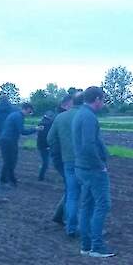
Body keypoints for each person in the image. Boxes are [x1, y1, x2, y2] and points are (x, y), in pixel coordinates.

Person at [72, 86, 114, 257]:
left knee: (87, 205)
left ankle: (86, 246)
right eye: (102, 99)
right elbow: (89, 144)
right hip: (92, 169)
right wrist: (100, 165)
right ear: (97, 99)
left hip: (81, 167)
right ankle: (97, 246)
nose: (103, 103)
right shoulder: (89, 117)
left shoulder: (80, 114)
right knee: (103, 205)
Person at [47, 92, 80, 236]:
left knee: (70, 190)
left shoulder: (59, 118)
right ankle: (75, 225)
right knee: (78, 193)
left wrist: (59, 153)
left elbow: (50, 139)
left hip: (63, 160)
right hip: (77, 160)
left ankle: (59, 216)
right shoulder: (82, 116)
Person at [0, 102, 36, 187]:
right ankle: (4, 180)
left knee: (11, 161)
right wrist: (35, 129)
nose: (29, 114)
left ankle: (10, 179)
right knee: (9, 161)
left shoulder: (15, 115)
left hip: (7, 140)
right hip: (8, 141)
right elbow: (22, 131)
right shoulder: (19, 117)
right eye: (29, 112)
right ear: (25, 109)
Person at [36, 104, 57, 181]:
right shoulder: (47, 124)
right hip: (45, 146)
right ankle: (40, 177)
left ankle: (41, 176)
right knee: (46, 162)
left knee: (47, 161)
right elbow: (45, 136)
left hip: (42, 145)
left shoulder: (42, 122)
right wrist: (47, 145)